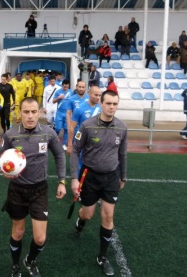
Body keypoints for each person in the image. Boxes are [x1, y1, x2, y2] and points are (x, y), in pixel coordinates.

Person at [0, 97, 66, 277]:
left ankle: (30, 260)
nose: (30, 116)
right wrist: (4, 169)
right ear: (20, 113)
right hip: (17, 190)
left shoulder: (48, 133)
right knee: (18, 232)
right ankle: (15, 265)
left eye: (34, 112)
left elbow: (59, 156)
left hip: (39, 190)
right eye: (26, 112)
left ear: (40, 112)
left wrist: (62, 181)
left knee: (40, 238)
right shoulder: (10, 134)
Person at [70, 90, 128, 276]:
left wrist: (123, 176)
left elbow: (122, 154)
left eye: (115, 104)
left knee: (108, 216)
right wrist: (74, 178)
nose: (112, 107)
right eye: (108, 103)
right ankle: (81, 221)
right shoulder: (87, 126)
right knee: (88, 214)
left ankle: (102, 257)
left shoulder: (122, 127)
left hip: (112, 177)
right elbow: (74, 151)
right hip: (89, 176)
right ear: (101, 104)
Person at [66, 85, 102, 156]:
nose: (98, 97)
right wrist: (70, 145)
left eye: (99, 95)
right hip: (82, 142)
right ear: (89, 94)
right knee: (80, 165)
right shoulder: (79, 109)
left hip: (96, 143)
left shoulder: (101, 108)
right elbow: (72, 127)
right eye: (96, 95)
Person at [53, 79, 73, 149]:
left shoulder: (71, 92)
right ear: (62, 85)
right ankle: (54, 141)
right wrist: (58, 98)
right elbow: (53, 101)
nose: (65, 88)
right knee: (58, 128)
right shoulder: (58, 92)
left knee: (66, 129)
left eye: (67, 87)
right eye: (64, 87)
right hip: (59, 113)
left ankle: (64, 144)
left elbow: (73, 102)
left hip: (68, 113)